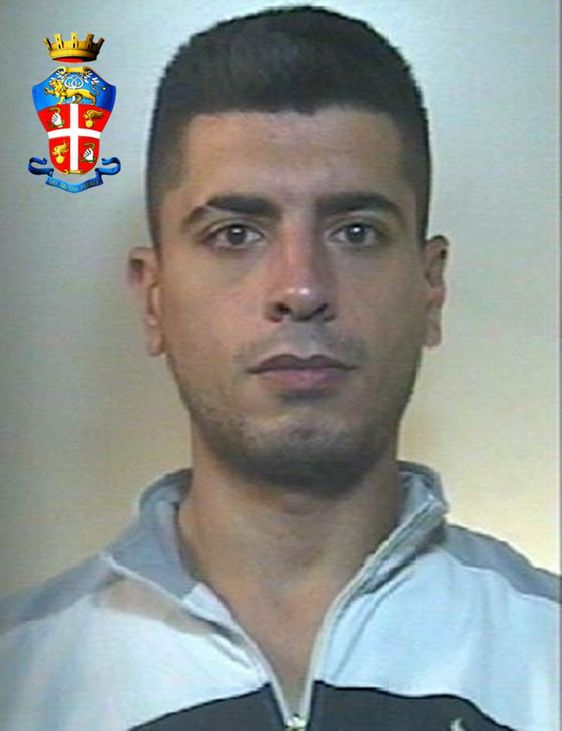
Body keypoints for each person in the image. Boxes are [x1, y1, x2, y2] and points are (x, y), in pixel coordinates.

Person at [0, 6, 558, 730]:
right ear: (153, 297)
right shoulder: (20, 678)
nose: (301, 288)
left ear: (431, 288)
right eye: (235, 234)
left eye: (357, 232)